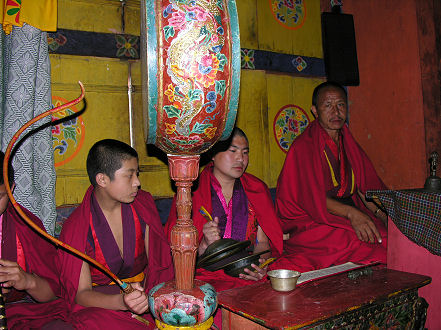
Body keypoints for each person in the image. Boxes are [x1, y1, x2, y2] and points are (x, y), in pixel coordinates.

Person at [58, 139, 174, 329]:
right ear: (102, 179)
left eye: (137, 174)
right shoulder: (76, 227)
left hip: (145, 292)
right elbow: (81, 294)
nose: (137, 182)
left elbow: (159, 266)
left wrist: (148, 297)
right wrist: (122, 302)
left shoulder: (143, 205)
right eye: (129, 176)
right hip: (104, 303)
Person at [275, 81, 388, 272]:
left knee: (384, 237)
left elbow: (364, 188)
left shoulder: (347, 140)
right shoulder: (304, 146)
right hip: (310, 219)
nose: (336, 112)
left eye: (340, 105)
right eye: (328, 106)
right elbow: (312, 198)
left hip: (340, 213)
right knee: (356, 241)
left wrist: (383, 215)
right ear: (315, 111)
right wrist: (353, 214)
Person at [165, 128, 283, 292]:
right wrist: (204, 244)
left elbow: (263, 243)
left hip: (245, 272)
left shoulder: (257, 189)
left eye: (245, 152)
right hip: (203, 275)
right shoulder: (190, 191)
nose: (240, 159)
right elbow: (175, 254)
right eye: (233, 151)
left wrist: (259, 267)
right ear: (213, 154)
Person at [0, 151, 69, 329]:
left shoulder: (26, 225)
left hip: (19, 312)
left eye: (0, 196)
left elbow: (56, 292)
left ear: (11, 189)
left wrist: (27, 281)